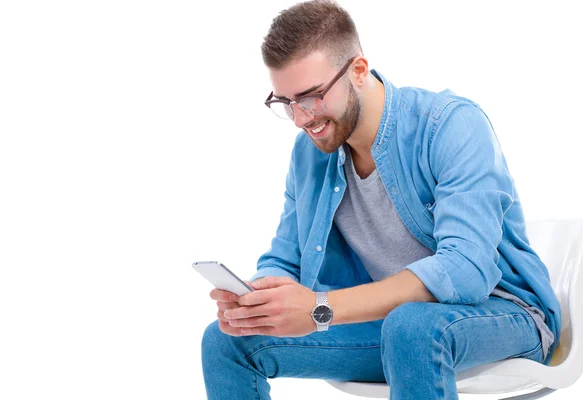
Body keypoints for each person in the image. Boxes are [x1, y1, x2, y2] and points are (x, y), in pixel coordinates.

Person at [201, 1, 561, 398]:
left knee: (412, 326)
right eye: (286, 103)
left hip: (500, 314)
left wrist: (321, 308)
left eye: (312, 97)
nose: (302, 119)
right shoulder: (310, 154)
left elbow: (465, 270)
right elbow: (287, 259)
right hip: (390, 325)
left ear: (358, 70)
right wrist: (258, 301)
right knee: (226, 341)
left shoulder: (450, 125)